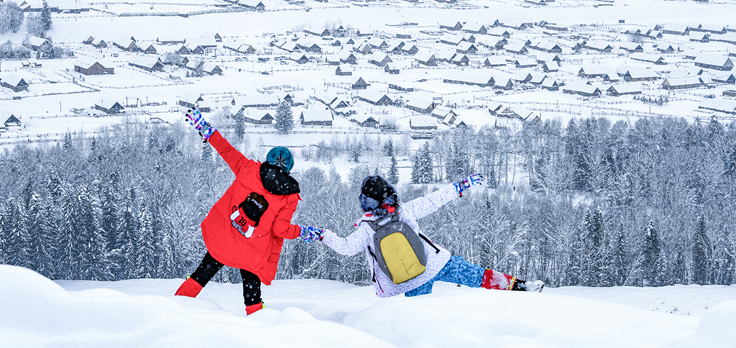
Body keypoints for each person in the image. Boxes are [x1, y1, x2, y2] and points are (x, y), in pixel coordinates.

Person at [174, 113, 321, 315]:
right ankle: (258, 325)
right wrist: (303, 232)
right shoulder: (289, 196)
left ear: (268, 160)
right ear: (289, 168)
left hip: (225, 240)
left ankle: (174, 307)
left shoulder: (247, 168)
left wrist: (206, 129)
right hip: (252, 251)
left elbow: (225, 150)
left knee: (201, 274)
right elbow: (280, 229)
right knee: (252, 294)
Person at [309, 175, 543, 298]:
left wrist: (322, 234)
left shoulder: (366, 228)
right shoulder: (404, 210)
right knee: (477, 275)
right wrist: (461, 186)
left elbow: (346, 248)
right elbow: (434, 200)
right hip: (434, 264)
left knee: (417, 323)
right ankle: (519, 287)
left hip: (400, 284)